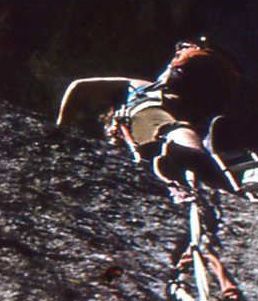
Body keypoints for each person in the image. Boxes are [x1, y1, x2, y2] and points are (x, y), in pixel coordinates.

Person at [56, 40, 242, 194]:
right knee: (180, 128)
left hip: (153, 110)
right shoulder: (188, 91)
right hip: (197, 105)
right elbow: (78, 88)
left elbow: (79, 87)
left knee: (168, 127)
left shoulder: (137, 86)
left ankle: (193, 154)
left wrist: (60, 131)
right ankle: (209, 157)